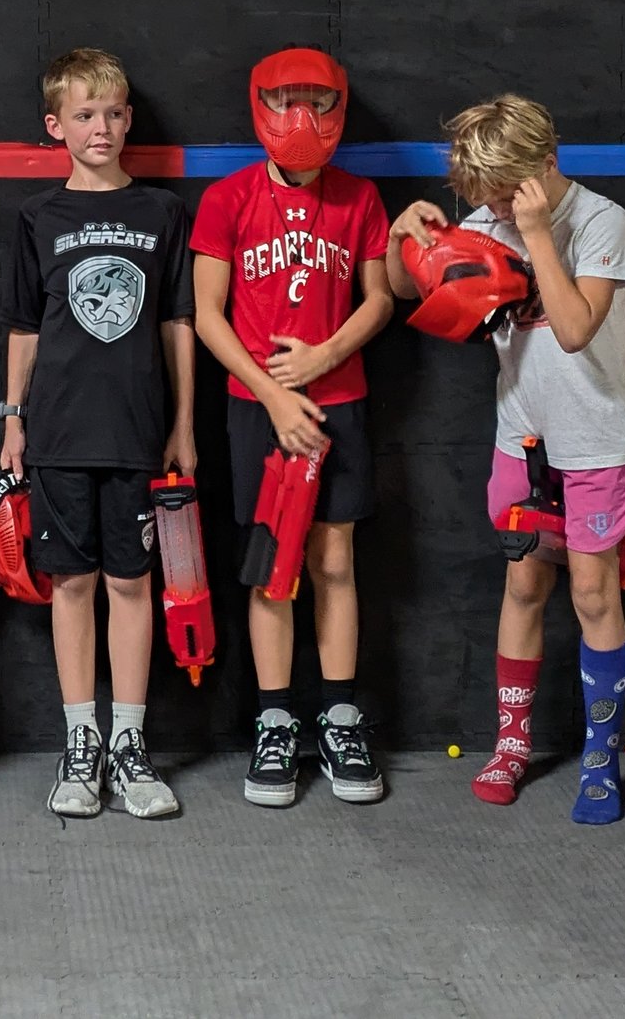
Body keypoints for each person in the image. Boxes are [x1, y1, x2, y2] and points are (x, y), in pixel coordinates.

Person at [389, 94, 625, 825]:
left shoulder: (601, 220)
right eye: (485, 198)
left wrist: (535, 233)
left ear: (545, 161)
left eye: (505, 193)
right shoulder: (489, 218)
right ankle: (512, 743)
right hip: (525, 439)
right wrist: (398, 238)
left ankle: (600, 759)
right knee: (525, 584)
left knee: (595, 595)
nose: (494, 209)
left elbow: (571, 328)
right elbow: (402, 287)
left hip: (595, 440)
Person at [191, 48, 394, 807]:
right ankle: (274, 718)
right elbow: (208, 315)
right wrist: (274, 395)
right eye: (287, 99)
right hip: (257, 406)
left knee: (335, 558)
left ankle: (340, 713)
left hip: (338, 398)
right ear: (260, 105)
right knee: (274, 562)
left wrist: (325, 355)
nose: (302, 118)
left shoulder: (361, 197)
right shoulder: (228, 199)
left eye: (318, 99)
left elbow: (379, 298)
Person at [1, 47, 196, 819]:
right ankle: (80, 741)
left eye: (113, 113)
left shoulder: (162, 211)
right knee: (72, 583)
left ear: (129, 120)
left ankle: (130, 745)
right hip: (55, 431)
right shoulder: (37, 218)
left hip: (139, 431)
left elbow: (178, 322)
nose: (101, 127)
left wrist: (182, 422)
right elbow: (23, 328)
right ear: (56, 125)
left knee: (131, 582)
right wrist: (12, 420)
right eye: (84, 114)